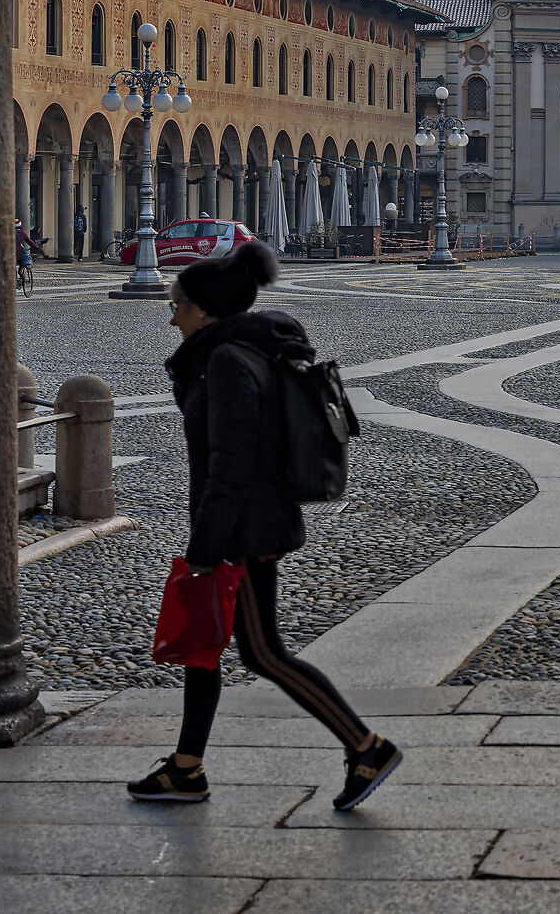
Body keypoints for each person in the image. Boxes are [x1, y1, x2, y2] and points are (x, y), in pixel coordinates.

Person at [128, 242, 400, 809]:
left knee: (264, 652)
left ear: (203, 310)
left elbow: (231, 461)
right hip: (244, 518)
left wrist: (205, 547)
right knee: (205, 648)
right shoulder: (239, 351)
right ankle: (186, 767)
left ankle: (366, 745)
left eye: (177, 303)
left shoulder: (228, 361)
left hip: (242, 527)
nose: (170, 313)